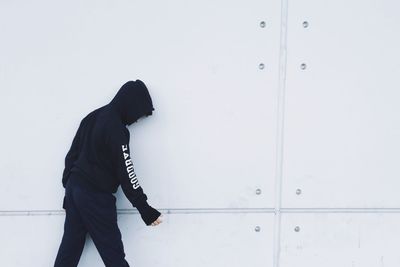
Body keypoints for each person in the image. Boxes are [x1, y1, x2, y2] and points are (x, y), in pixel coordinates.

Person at [54, 80, 163, 267]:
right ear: (131, 104)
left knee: (69, 250)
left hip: (75, 189)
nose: (136, 120)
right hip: (94, 195)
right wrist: (145, 209)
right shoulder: (116, 129)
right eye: (139, 114)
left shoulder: (92, 117)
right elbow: (126, 171)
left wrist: (69, 190)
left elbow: (71, 157)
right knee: (113, 254)